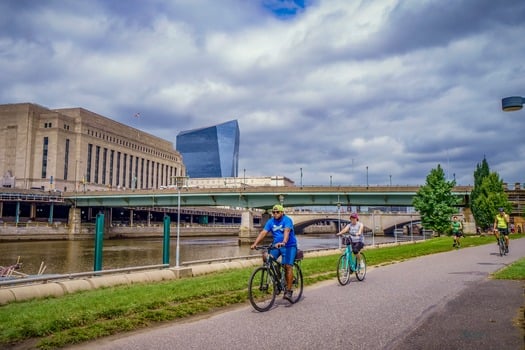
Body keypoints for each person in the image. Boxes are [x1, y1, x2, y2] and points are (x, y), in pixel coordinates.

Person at [250, 204, 297, 303]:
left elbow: (287, 231)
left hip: (289, 246)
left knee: (287, 266)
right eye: (273, 212)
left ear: (282, 212)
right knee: (266, 257)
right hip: (276, 245)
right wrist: (255, 243)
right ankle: (278, 278)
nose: (275, 214)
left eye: (277, 212)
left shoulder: (287, 220)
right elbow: (263, 232)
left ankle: (288, 291)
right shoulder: (271, 222)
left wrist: (284, 242)